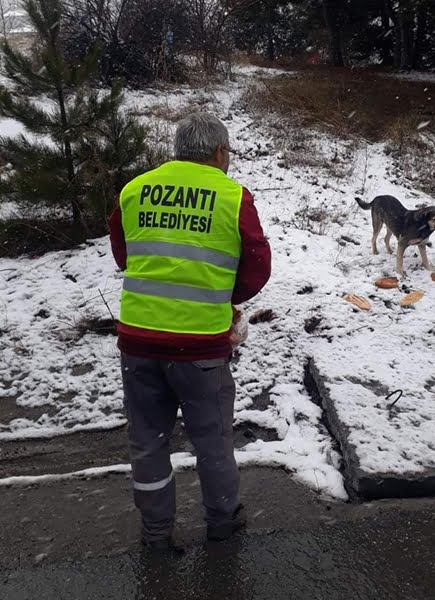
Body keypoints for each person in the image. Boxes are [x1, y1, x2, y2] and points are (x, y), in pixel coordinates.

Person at [108, 112, 271, 553]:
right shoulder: (232, 196)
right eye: (229, 153)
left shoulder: (134, 190)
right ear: (219, 153)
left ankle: (156, 534)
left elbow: (125, 255)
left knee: (147, 442)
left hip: (139, 344)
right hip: (201, 349)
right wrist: (223, 297)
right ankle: (222, 525)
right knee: (212, 441)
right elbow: (257, 265)